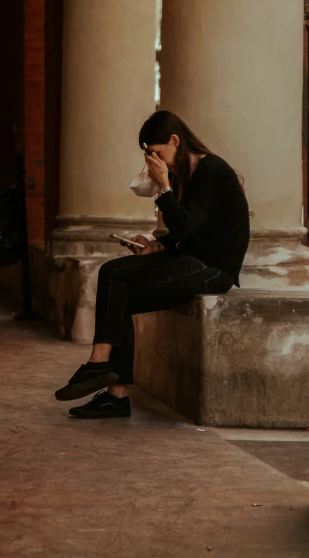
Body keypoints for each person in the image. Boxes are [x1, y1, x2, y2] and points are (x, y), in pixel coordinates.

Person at [55, 110, 251, 419]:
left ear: (175, 141)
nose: (154, 161)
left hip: (213, 268)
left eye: (156, 153)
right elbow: (185, 234)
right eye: (149, 156)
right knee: (113, 272)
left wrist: (163, 188)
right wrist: (154, 245)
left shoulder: (213, 171)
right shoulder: (185, 174)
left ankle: (108, 382)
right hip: (190, 255)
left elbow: (187, 228)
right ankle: (103, 374)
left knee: (123, 296)